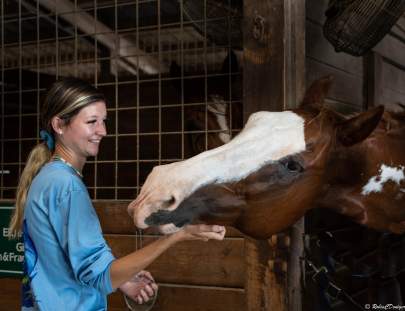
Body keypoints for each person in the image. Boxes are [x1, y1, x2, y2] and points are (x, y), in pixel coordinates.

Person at [8, 78, 226, 311]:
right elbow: (101, 277)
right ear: (59, 125)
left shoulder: (47, 177)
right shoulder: (66, 185)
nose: (102, 131)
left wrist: (122, 279)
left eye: (103, 121)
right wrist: (176, 236)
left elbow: (67, 263)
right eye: (92, 122)